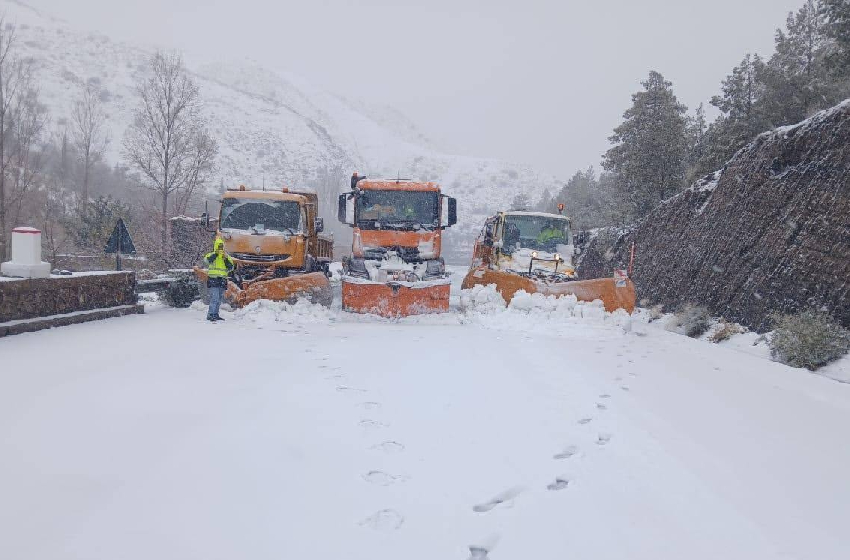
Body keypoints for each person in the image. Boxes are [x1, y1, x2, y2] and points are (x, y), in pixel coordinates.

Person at [204, 237, 234, 322]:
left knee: (219, 299)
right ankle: (211, 315)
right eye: (219, 246)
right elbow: (207, 261)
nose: (220, 248)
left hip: (222, 280)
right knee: (215, 298)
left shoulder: (226, 256)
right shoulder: (211, 255)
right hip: (213, 279)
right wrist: (216, 254)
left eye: (221, 246)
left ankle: (216, 314)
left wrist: (225, 259)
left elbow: (231, 267)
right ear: (216, 246)